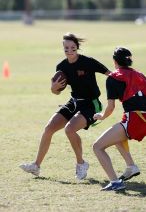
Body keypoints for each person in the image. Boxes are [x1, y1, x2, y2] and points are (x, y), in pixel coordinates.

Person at [20, 32, 110, 179]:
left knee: (70, 130)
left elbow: (110, 74)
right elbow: (55, 92)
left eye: (72, 47)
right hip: (74, 101)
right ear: (63, 48)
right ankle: (36, 166)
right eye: (66, 48)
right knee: (49, 128)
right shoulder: (61, 67)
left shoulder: (89, 62)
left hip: (91, 104)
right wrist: (53, 88)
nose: (69, 50)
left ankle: (81, 164)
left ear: (77, 47)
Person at [93, 47, 146, 191]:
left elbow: (110, 108)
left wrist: (101, 116)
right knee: (116, 134)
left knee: (97, 147)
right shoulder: (140, 74)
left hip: (136, 119)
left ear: (114, 61)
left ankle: (115, 182)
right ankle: (131, 167)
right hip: (140, 118)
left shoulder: (113, 77)